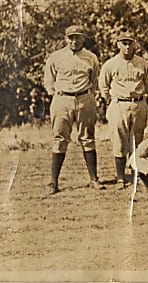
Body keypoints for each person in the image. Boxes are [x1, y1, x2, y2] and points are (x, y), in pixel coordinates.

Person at [43, 25, 103, 194]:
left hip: (84, 98)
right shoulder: (56, 57)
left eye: (77, 37)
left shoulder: (91, 58)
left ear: (83, 38)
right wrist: (56, 95)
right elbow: (49, 81)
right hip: (62, 99)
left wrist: (87, 95)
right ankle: (53, 182)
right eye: (71, 37)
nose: (74, 41)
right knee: (60, 139)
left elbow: (94, 80)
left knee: (88, 138)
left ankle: (94, 179)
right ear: (65, 38)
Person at [99, 29, 148, 189]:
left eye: (130, 43)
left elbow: (147, 83)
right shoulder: (110, 64)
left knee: (137, 140)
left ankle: (135, 174)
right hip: (119, 104)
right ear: (118, 45)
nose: (127, 46)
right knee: (119, 141)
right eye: (124, 43)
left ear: (134, 44)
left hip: (138, 103)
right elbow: (103, 86)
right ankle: (121, 177)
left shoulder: (143, 63)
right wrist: (113, 99)